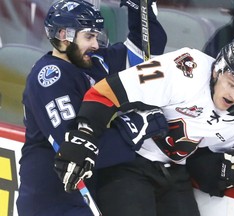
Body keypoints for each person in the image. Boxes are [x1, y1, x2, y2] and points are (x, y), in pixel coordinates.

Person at [54, 37, 234, 216]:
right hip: (130, 163)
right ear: (216, 71)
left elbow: (198, 159)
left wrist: (224, 170)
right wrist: (84, 134)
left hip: (175, 173)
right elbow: (105, 92)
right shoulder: (184, 69)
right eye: (232, 84)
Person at [17, 0, 167, 215]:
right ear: (63, 35)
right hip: (50, 202)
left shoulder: (94, 62)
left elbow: (145, 54)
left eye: (96, 36)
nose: (96, 44)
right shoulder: (50, 78)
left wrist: (138, 10)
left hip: (83, 196)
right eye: (89, 36)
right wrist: (136, 126)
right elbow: (78, 152)